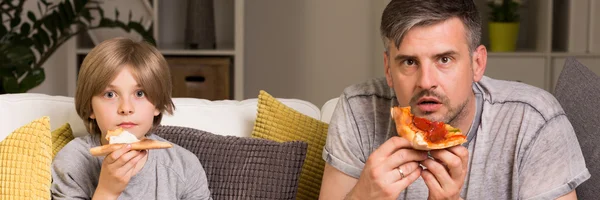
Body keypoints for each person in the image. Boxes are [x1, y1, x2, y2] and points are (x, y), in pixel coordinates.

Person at [319, 0, 590, 199]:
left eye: (444, 59)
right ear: (389, 69)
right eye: (410, 61)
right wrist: (363, 196)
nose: (426, 81)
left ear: (477, 63)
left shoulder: (533, 121)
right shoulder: (358, 108)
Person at [51, 38, 212, 199]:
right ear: (90, 107)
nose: (126, 108)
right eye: (110, 94)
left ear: (156, 105)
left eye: (139, 94)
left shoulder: (184, 166)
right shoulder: (72, 161)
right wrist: (107, 191)